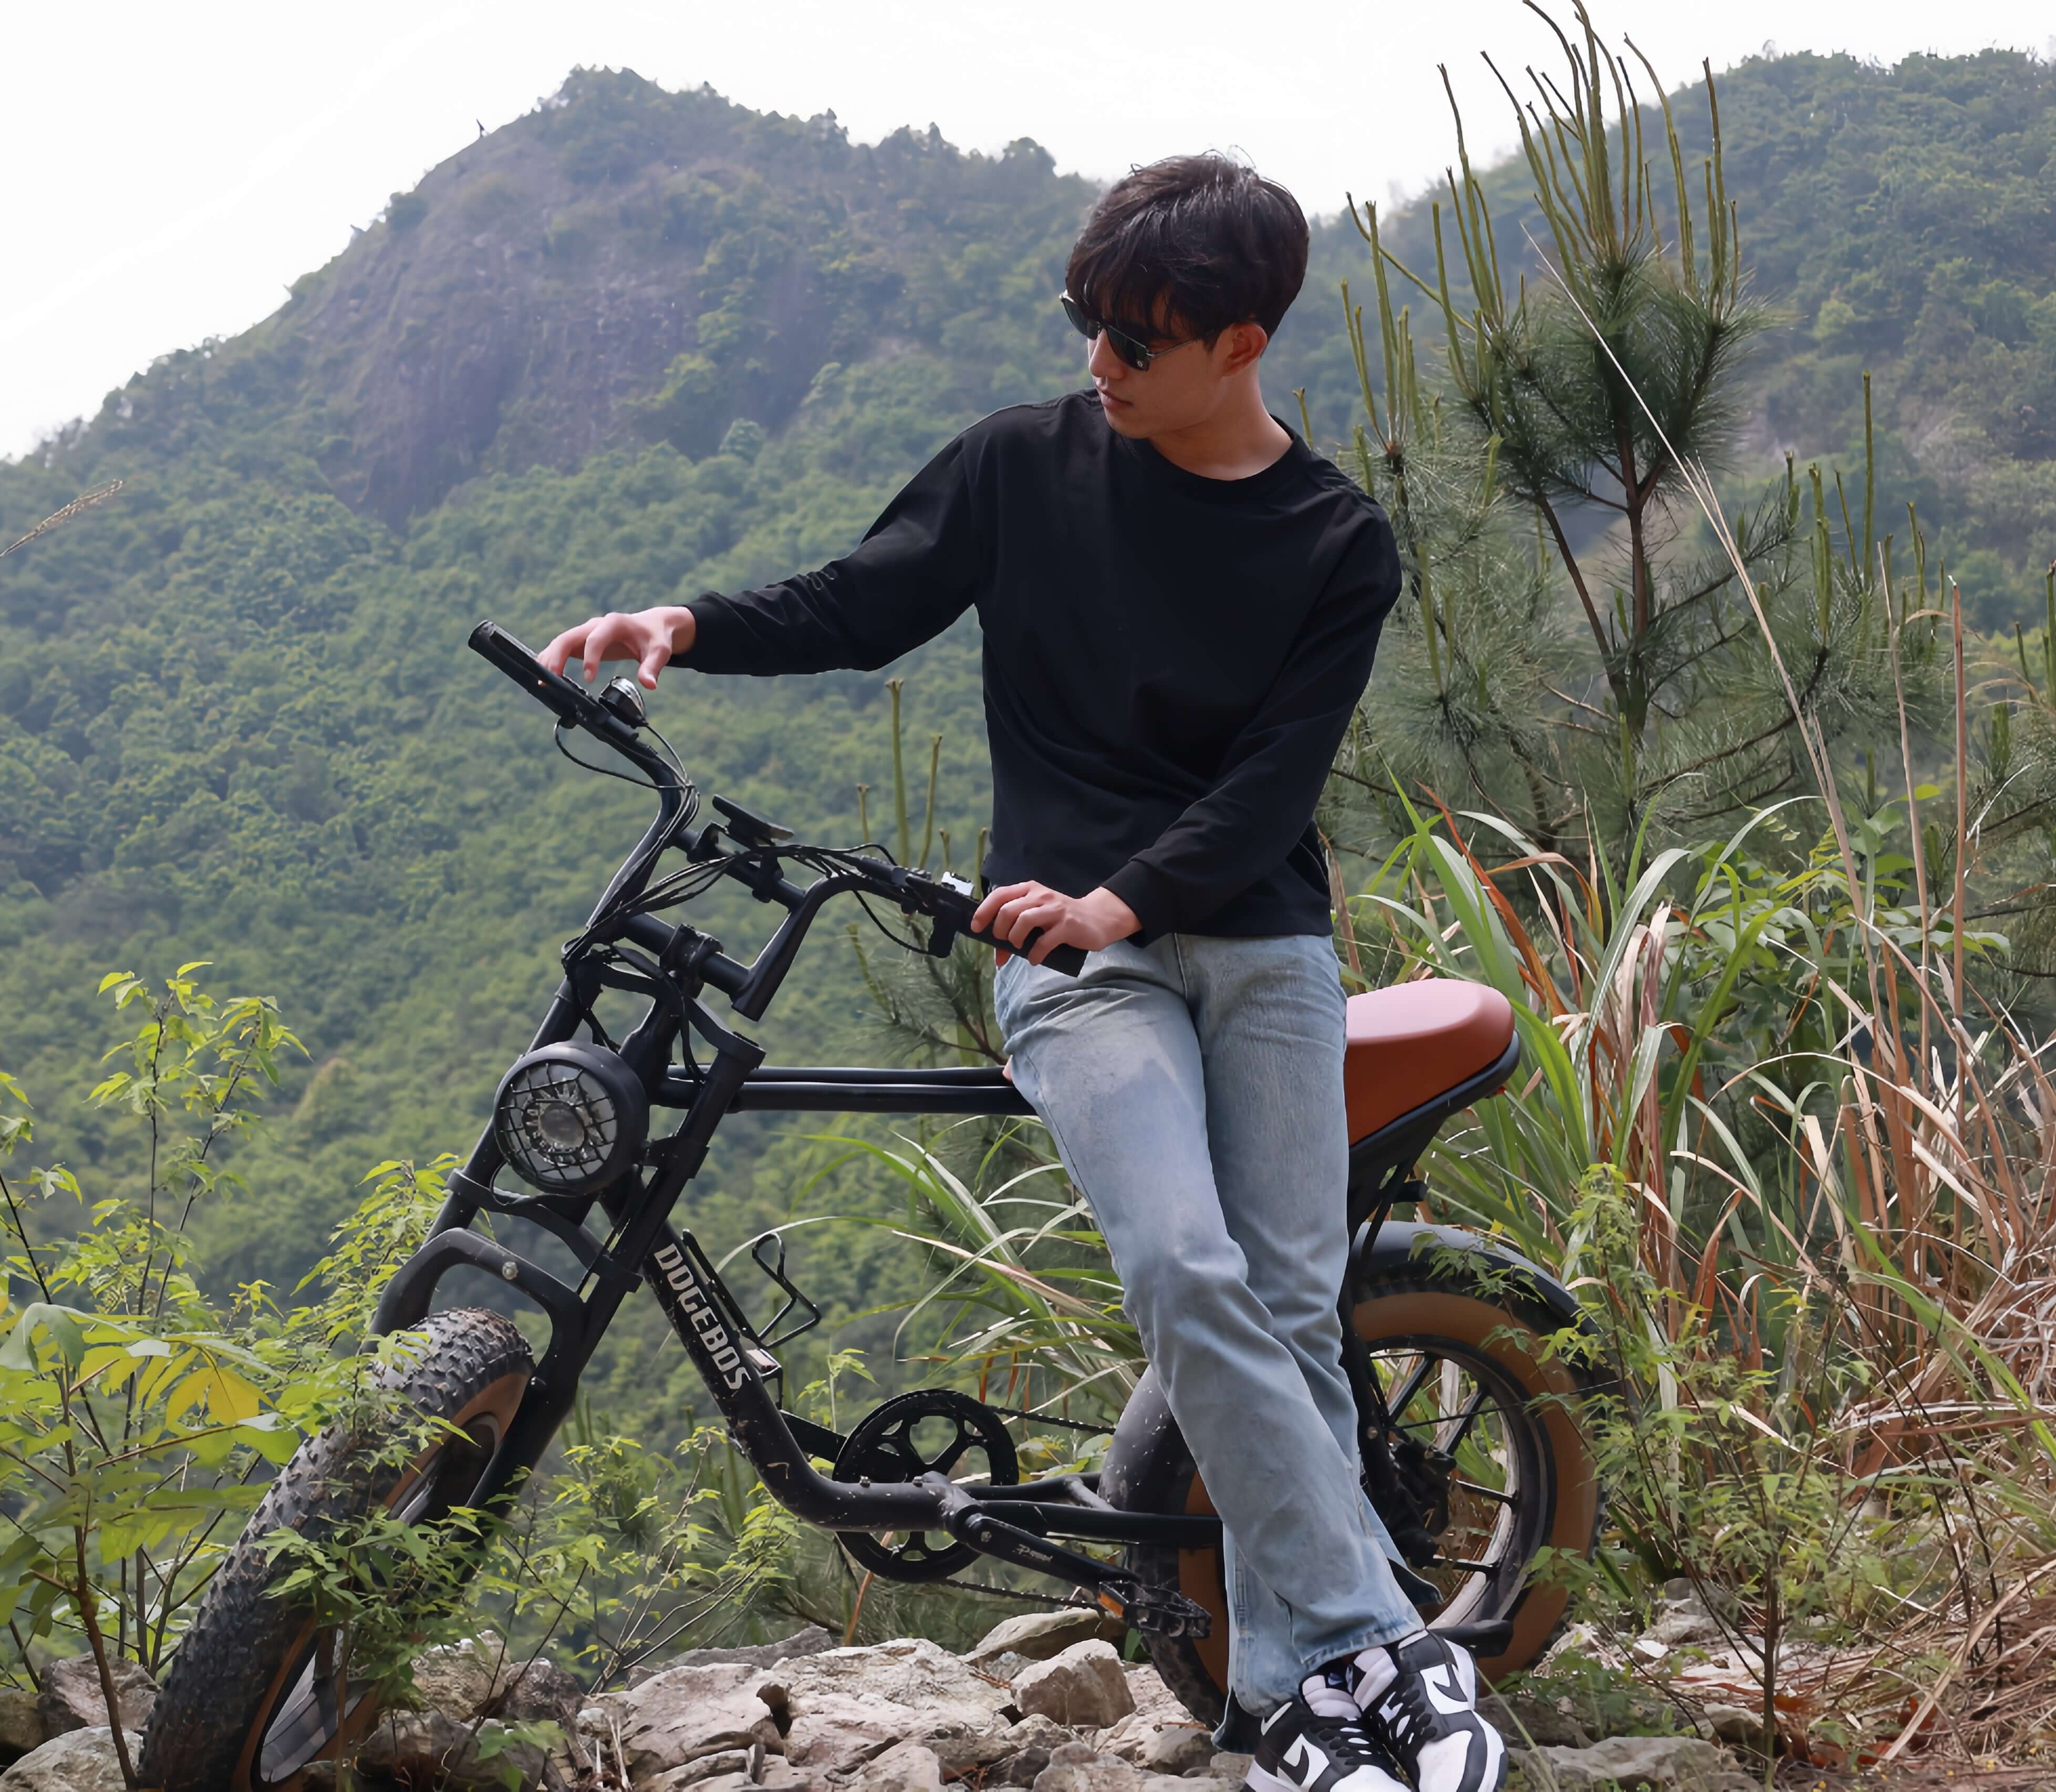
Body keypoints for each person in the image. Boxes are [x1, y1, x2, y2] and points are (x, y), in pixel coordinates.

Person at [536, 154, 1504, 1792]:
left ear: (1242, 343)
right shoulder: (1020, 466)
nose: (1102, 367)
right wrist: (685, 624)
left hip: (1256, 949)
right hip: (1078, 969)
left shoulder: (1337, 541)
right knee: (1193, 1279)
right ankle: (1374, 1649)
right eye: (1089, 327)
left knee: (1290, 1310)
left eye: (1141, 340)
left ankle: (1286, 1716)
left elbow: (1269, 790)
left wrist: (1124, 895)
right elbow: (865, 597)